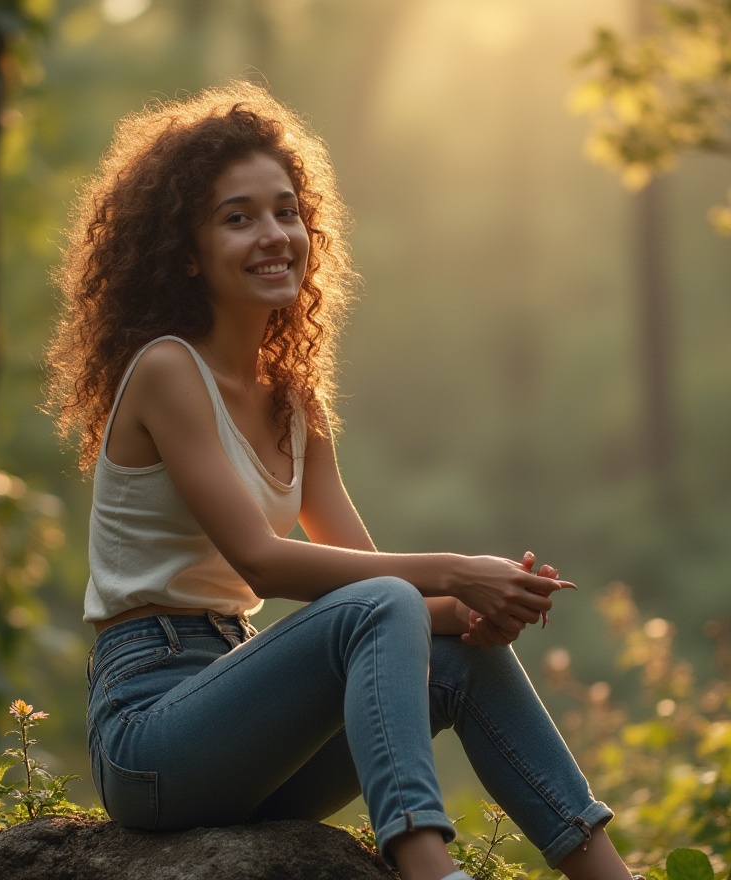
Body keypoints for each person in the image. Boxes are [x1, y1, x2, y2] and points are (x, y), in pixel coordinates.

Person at [46, 81, 638, 880]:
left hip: (250, 719)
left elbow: (368, 592)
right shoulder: (165, 370)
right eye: (238, 217)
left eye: (286, 211)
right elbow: (265, 562)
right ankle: (427, 867)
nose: (273, 235)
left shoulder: (294, 399)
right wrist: (454, 570)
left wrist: (466, 612)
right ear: (186, 251)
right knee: (391, 601)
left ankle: (610, 876)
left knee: (456, 654)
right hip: (152, 730)